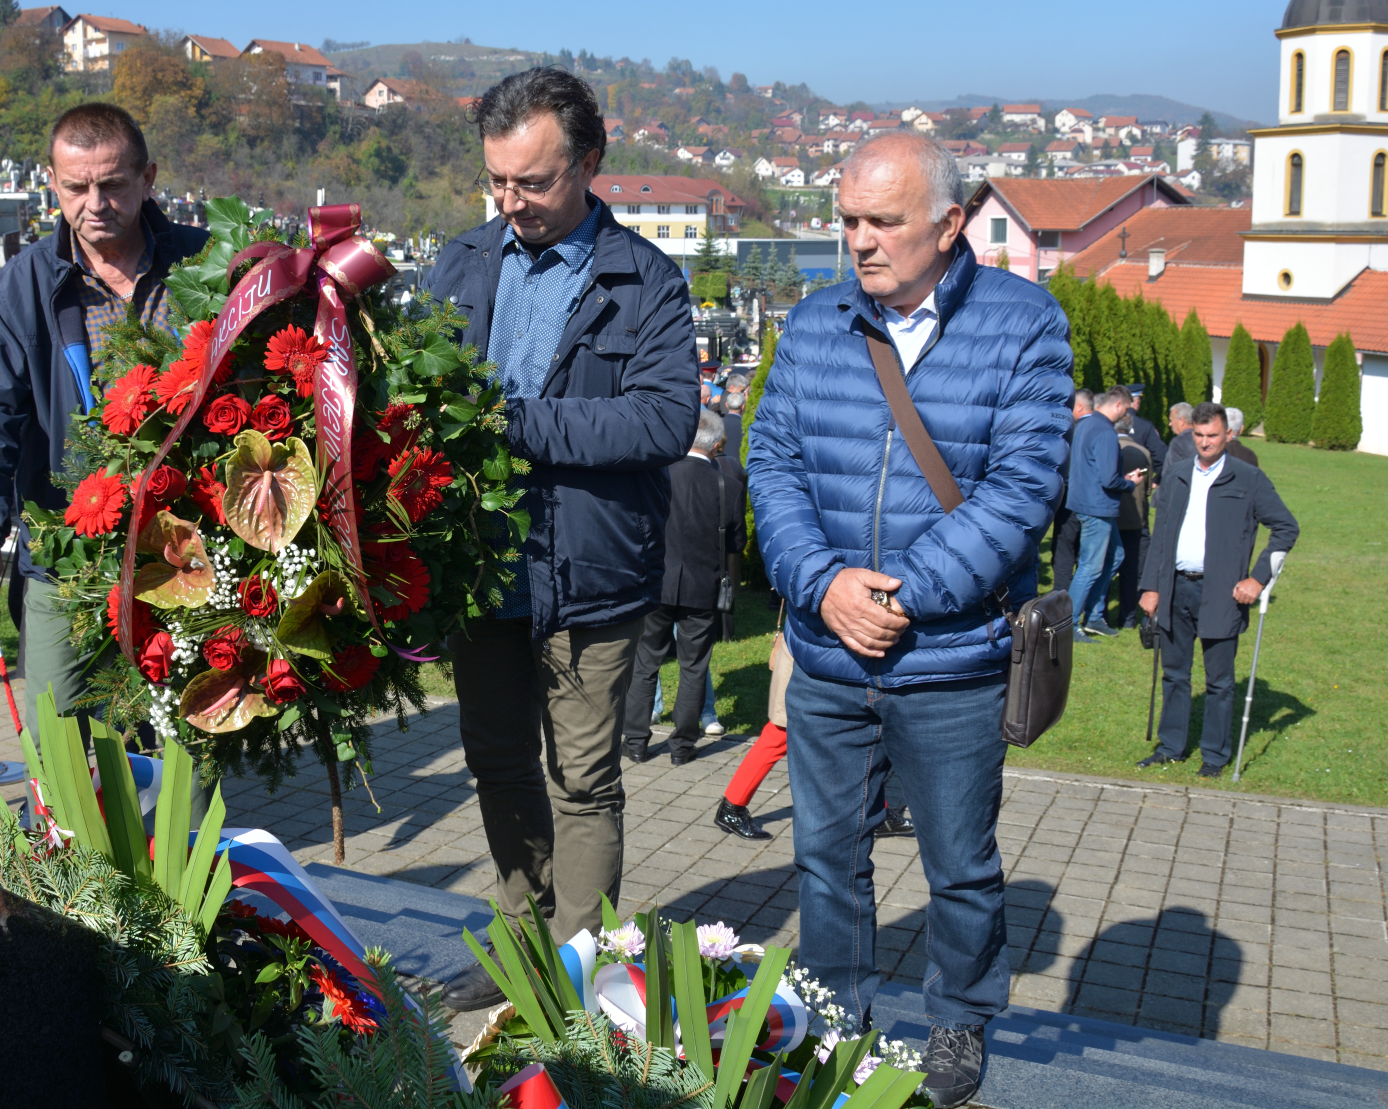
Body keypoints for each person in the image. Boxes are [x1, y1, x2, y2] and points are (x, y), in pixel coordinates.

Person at [747, 132, 1072, 1108]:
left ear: (947, 222)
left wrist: (903, 595)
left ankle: (957, 1023)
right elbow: (771, 466)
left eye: (880, 222)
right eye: (846, 219)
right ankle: (834, 1018)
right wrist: (821, 585)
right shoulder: (812, 326)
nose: (858, 240)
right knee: (825, 859)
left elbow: (1020, 490)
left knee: (960, 867)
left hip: (950, 663)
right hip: (828, 653)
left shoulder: (1022, 324)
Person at [428, 67, 697, 1011]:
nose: (513, 202)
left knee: (583, 782)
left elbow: (663, 422)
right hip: (480, 573)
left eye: (533, 182)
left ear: (589, 163)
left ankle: (577, 973)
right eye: (498, 181)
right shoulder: (460, 260)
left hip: (591, 576)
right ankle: (519, 940)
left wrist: (519, 425)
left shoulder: (646, 280)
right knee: (496, 762)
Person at [0, 104, 208, 720]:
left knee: (183, 747)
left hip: (188, 549)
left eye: (112, 185)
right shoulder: (23, 288)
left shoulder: (204, 266)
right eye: (76, 186)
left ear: (148, 178)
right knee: (59, 750)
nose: (95, 203)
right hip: (64, 556)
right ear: (52, 183)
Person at [1137, 403, 1300, 778]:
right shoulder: (1177, 474)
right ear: (1190, 434)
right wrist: (1150, 586)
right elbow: (1160, 536)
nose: (1205, 443)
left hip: (1222, 594)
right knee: (1174, 674)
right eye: (1198, 435)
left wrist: (1257, 579)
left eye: (1212, 435)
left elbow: (1286, 527)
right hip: (1175, 588)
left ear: (1228, 435)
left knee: (1219, 681)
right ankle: (1171, 747)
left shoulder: (1248, 478)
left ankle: (1215, 755)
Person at [624, 409, 746, 765]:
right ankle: (682, 746)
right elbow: (737, 543)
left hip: (657, 583)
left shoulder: (659, 474)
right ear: (717, 444)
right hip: (701, 585)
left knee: (646, 663)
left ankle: (635, 742)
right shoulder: (730, 485)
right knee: (694, 667)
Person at [1066, 387, 1146, 640]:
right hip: (1097, 508)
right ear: (1120, 405)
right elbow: (1109, 479)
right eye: (1128, 407)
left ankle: (1094, 616)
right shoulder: (1105, 432)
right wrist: (1131, 483)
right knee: (1089, 566)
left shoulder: (1085, 426)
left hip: (1088, 503)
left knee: (1116, 555)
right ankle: (1067, 624)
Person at [1113, 411, 1154, 630]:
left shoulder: (1109, 449)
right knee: (1131, 570)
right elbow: (1147, 489)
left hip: (1113, 517)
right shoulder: (1144, 453)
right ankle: (1128, 617)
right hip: (1135, 519)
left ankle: (1096, 614)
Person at [1049, 389, 1094, 588]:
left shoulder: (1072, 430)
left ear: (1079, 407)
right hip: (1091, 501)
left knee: (1064, 552)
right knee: (1082, 553)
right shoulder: (1101, 428)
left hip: (1069, 499)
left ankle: (1061, 598)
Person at [1122, 384, 1168, 481]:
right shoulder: (1145, 426)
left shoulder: (1109, 422)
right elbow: (1161, 456)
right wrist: (1152, 477)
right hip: (1138, 481)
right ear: (1137, 401)